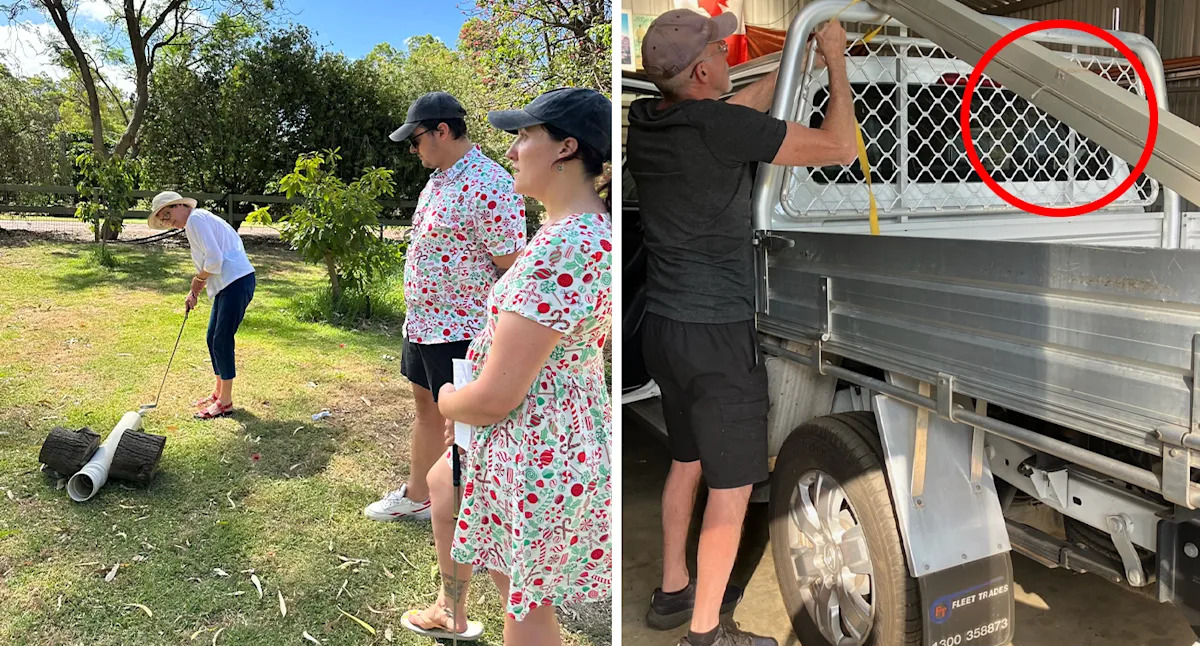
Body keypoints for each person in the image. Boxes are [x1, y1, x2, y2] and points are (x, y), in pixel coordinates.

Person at [626, 10, 857, 646]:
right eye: (721, 52)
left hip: (665, 329)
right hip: (717, 336)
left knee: (686, 462)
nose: (730, 56)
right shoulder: (719, 128)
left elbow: (735, 111)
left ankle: (673, 591)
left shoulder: (648, 121)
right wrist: (836, 62)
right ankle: (706, 633)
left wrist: (801, 63)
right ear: (702, 73)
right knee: (730, 492)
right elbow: (839, 147)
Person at [404, 87, 612, 646]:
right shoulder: (582, 230)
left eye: (524, 135)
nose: (512, 150)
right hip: (542, 436)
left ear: (566, 148)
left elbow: (499, 395)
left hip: (533, 446)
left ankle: (452, 608)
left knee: (526, 612)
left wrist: (451, 399)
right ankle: (450, 606)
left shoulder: (562, 248)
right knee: (444, 486)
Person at [364, 91, 526, 523]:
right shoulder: (438, 179)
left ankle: (466, 512)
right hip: (423, 324)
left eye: (416, 140)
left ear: (442, 131)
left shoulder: (490, 183)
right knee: (426, 410)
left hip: (462, 329)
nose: (413, 150)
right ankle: (418, 495)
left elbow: (512, 266)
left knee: (464, 428)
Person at [148, 191, 256, 420]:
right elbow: (210, 260)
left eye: (167, 214)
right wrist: (194, 291)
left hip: (236, 281)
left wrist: (198, 281)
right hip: (227, 284)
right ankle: (218, 392)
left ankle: (225, 402)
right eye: (163, 219)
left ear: (180, 205)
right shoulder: (196, 221)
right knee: (212, 337)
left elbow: (215, 260)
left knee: (222, 339)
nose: (168, 221)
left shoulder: (196, 219)